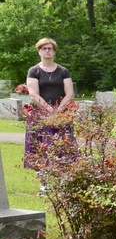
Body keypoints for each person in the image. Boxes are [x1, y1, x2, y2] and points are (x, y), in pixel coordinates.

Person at [24, 37, 74, 166]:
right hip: (40, 113)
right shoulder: (34, 71)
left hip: (61, 114)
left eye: (50, 48)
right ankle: (43, 182)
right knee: (41, 146)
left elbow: (69, 94)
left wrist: (58, 110)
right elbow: (33, 94)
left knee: (63, 145)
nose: (47, 51)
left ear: (54, 51)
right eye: (44, 48)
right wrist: (49, 109)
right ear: (39, 51)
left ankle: (62, 177)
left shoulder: (63, 71)